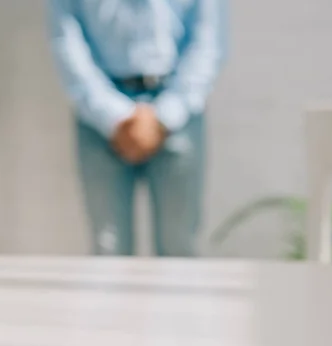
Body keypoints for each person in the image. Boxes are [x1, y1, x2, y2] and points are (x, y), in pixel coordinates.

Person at [48, 0, 226, 256]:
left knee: (179, 247)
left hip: (178, 108)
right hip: (100, 112)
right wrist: (113, 116)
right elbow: (65, 39)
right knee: (108, 247)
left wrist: (165, 115)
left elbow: (209, 40)